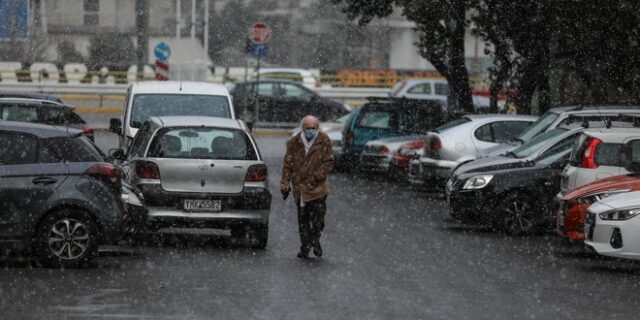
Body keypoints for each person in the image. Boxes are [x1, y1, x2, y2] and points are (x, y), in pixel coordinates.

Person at [281, 115, 334, 258]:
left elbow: (329, 161)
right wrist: (285, 183)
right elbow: (288, 164)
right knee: (303, 220)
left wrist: (317, 176)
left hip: (318, 188)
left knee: (319, 219)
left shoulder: (323, 140)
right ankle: (305, 247)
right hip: (300, 188)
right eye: (307, 128)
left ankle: (315, 239)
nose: (310, 131)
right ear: (302, 128)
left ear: (317, 128)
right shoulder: (295, 142)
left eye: (313, 128)